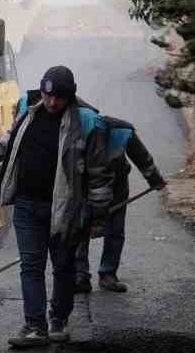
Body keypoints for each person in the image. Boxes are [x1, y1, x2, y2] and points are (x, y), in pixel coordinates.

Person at [0, 65, 115, 348]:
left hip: (66, 210)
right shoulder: (28, 110)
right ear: (41, 91)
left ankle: (59, 320)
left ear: (70, 96)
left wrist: (98, 216)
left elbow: (99, 174)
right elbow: (8, 144)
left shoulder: (88, 121)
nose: (52, 102)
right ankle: (35, 326)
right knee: (31, 266)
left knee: (63, 266)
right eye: (47, 96)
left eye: (58, 97)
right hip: (27, 205)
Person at [71, 106, 167, 293]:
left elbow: (142, 158)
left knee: (114, 229)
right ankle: (79, 275)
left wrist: (155, 180)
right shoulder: (81, 131)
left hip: (117, 184)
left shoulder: (122, 132)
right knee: (80, 228)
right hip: (85, 185)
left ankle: (108, 274)